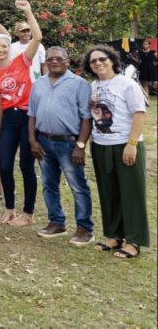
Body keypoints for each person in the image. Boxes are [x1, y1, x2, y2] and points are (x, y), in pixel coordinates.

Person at [83, 45, 149, 259]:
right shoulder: (93, 86)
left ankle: (134, 240)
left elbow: (139, 114)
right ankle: (113, 235)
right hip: (102, 145)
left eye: (102, 59)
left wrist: (131, 144)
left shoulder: (127, 84)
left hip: (125, 143)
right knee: (108, 192)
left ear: (112, 60)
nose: (98, 63)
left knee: (131, 193)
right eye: (93, 61)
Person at [27, 46, 93, 245]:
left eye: (59, 58)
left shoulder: (79, 84)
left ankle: (84, 228)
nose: (54, 62)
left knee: (78, 186)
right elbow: (32, 114)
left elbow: (86, 118)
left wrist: (80, 146)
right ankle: (56, 222)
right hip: (44, 142)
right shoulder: (38, 83)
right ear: (45, 61)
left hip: (68, 144)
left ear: (67, 61)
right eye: (50, 59)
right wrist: (32, 140)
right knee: (49, 184)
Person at [0, 0, 42, 227]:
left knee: (26, 166)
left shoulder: (22, 60)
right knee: (5, 165)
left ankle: (27, 214)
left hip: (28, 118)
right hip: (8, 119)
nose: (0, 49)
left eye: (4, 46)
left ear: (10, 47)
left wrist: (28, 11)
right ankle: (10, 209)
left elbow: (37, 38)